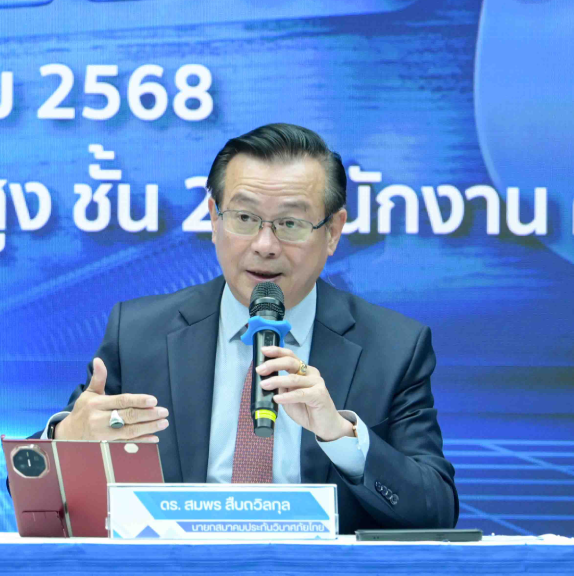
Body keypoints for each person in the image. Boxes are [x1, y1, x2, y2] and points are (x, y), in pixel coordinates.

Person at [41, 123, 457, 533]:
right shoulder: (138, 333)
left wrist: (340, 436)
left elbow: (435, 511)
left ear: (332, 232)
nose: (264, 245)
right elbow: (39, 502)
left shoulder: (394, 348)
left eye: (290, 223)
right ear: (214, 219)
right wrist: (68, 438)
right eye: (244, 217)